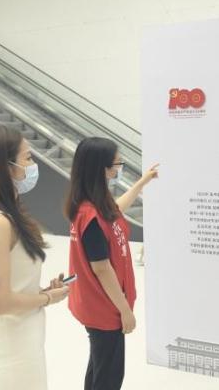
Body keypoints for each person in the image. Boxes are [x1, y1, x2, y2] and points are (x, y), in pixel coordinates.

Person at [0, 125, 69, 390]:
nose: (33, 166)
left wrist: (39, 292)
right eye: (28, 158)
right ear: (5, 166)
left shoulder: (6, 216)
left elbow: (11, 288)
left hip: (23, 343)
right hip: (9, 353)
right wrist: (47, 298)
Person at [64, 137, 158, 390]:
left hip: (98, 303)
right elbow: (102, 269)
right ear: (102, 168)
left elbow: (116, 210)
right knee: (109, 376)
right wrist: (125, 311)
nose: (119, 168)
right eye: (117, 164)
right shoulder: (91, 216)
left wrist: (142, 183)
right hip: (104, 307)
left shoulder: (94, 204)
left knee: (99, 366)